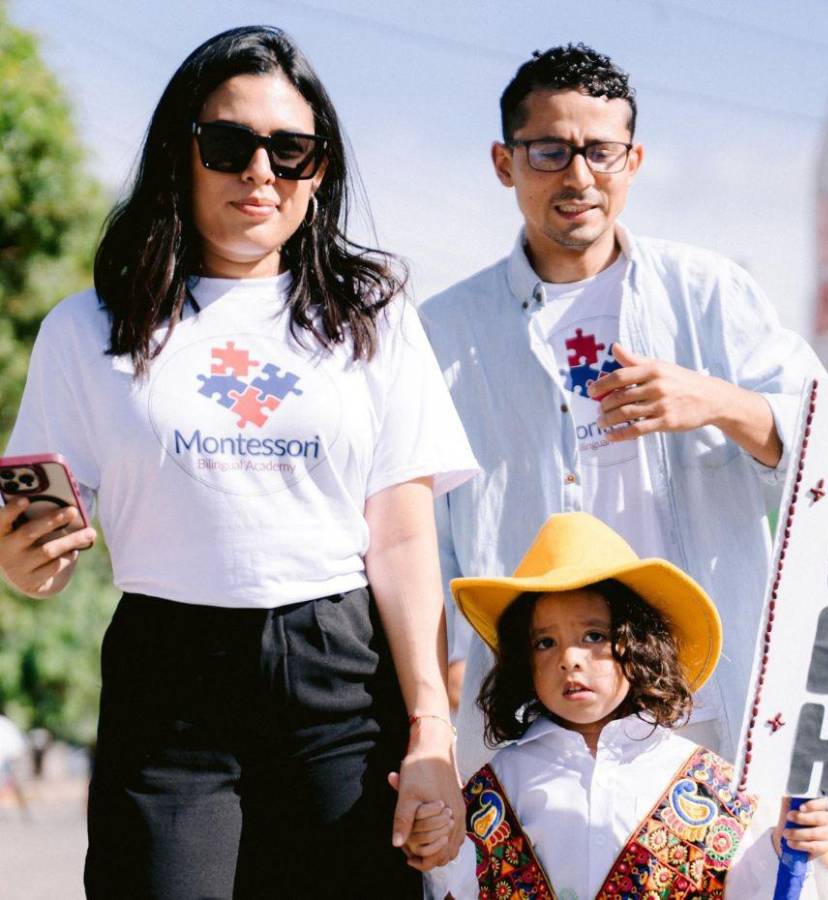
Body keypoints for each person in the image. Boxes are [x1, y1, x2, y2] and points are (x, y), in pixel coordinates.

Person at [0, 26, 476, 897]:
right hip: (168, 675)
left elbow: (404, 539)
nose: (261, 172)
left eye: (291, 150)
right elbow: (43, 545)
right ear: (181, 155)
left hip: (338, 675)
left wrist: (431, 732)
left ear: (318, 171)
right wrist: (25, 569)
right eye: (229, 144)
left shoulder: (374, 316)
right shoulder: (89, 326)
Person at [421, 43, 824, 772]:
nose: (578, 177)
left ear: (633, 163)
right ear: (504, 162)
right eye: (549, 150)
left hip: (703, 699)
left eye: (600, 151)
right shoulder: (442, 333)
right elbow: (424, 536)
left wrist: (721, 403)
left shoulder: (708, 295)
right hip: (531, 709)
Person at [406, 512, 828, 898]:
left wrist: (785, 846)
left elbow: (749, 887)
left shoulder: (707, 784)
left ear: (639, 646)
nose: (569, 658)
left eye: (593, 637)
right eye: (545, 642)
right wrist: (436, 844)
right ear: (524, 662)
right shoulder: (497, 785)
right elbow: (458, 885)